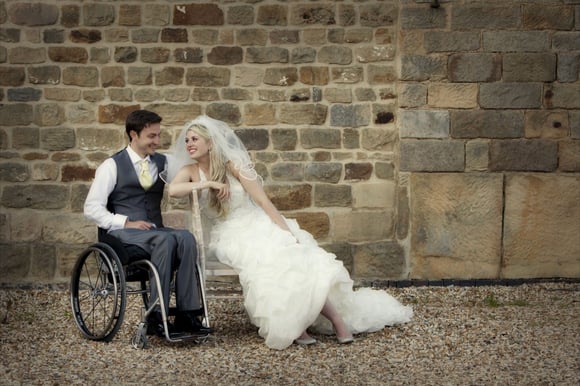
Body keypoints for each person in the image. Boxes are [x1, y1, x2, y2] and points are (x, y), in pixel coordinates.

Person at [167, 115, 412, 350]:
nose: (189, 144)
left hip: (258, 223)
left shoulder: (233, 166)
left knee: (294, 257)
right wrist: (207, 183)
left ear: (210, 143)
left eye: (195, 139)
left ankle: (336, 319)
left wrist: (285, 231)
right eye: (187, 140)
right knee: (266, 265)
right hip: (231, 235)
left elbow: (263, 201)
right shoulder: (191, 171)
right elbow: (173, 191)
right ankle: (295, 325)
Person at [84, 109, 212, 337]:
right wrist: (125, 222)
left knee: (185, 237)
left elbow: (194, 168)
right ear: (134, 134)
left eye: (158, 135)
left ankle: (188, 314)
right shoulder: (111, 166)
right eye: (152, 136)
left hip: (155, 231)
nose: (157, 141)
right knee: (164, 239)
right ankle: (155, 316)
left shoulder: (164, 162)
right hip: (122, 235)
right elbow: (91, 208)